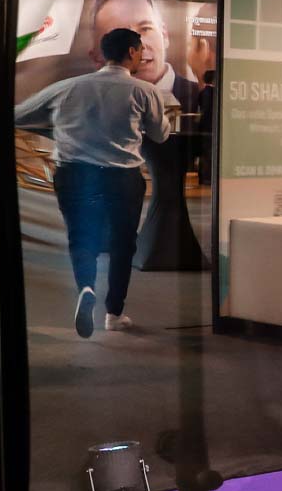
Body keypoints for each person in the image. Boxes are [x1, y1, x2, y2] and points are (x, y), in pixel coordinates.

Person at [14, 26, 172, 337]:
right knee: (123, 244)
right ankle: (114, 313)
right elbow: (160, 134)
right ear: (131, 52)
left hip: (75, 174)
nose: (142, 55)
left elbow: (18, 115)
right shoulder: (144, 91)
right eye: (140, 50)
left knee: (81, 237)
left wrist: (58, 126)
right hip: (122, 177)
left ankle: (86, 288)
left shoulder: (67, 87)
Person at [90, 0, 199, 111]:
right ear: (96, 57)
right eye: (118, 36)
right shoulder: (88, 101)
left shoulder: (201, 97)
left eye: (145, 29)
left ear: (164, 35)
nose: (139, 45)